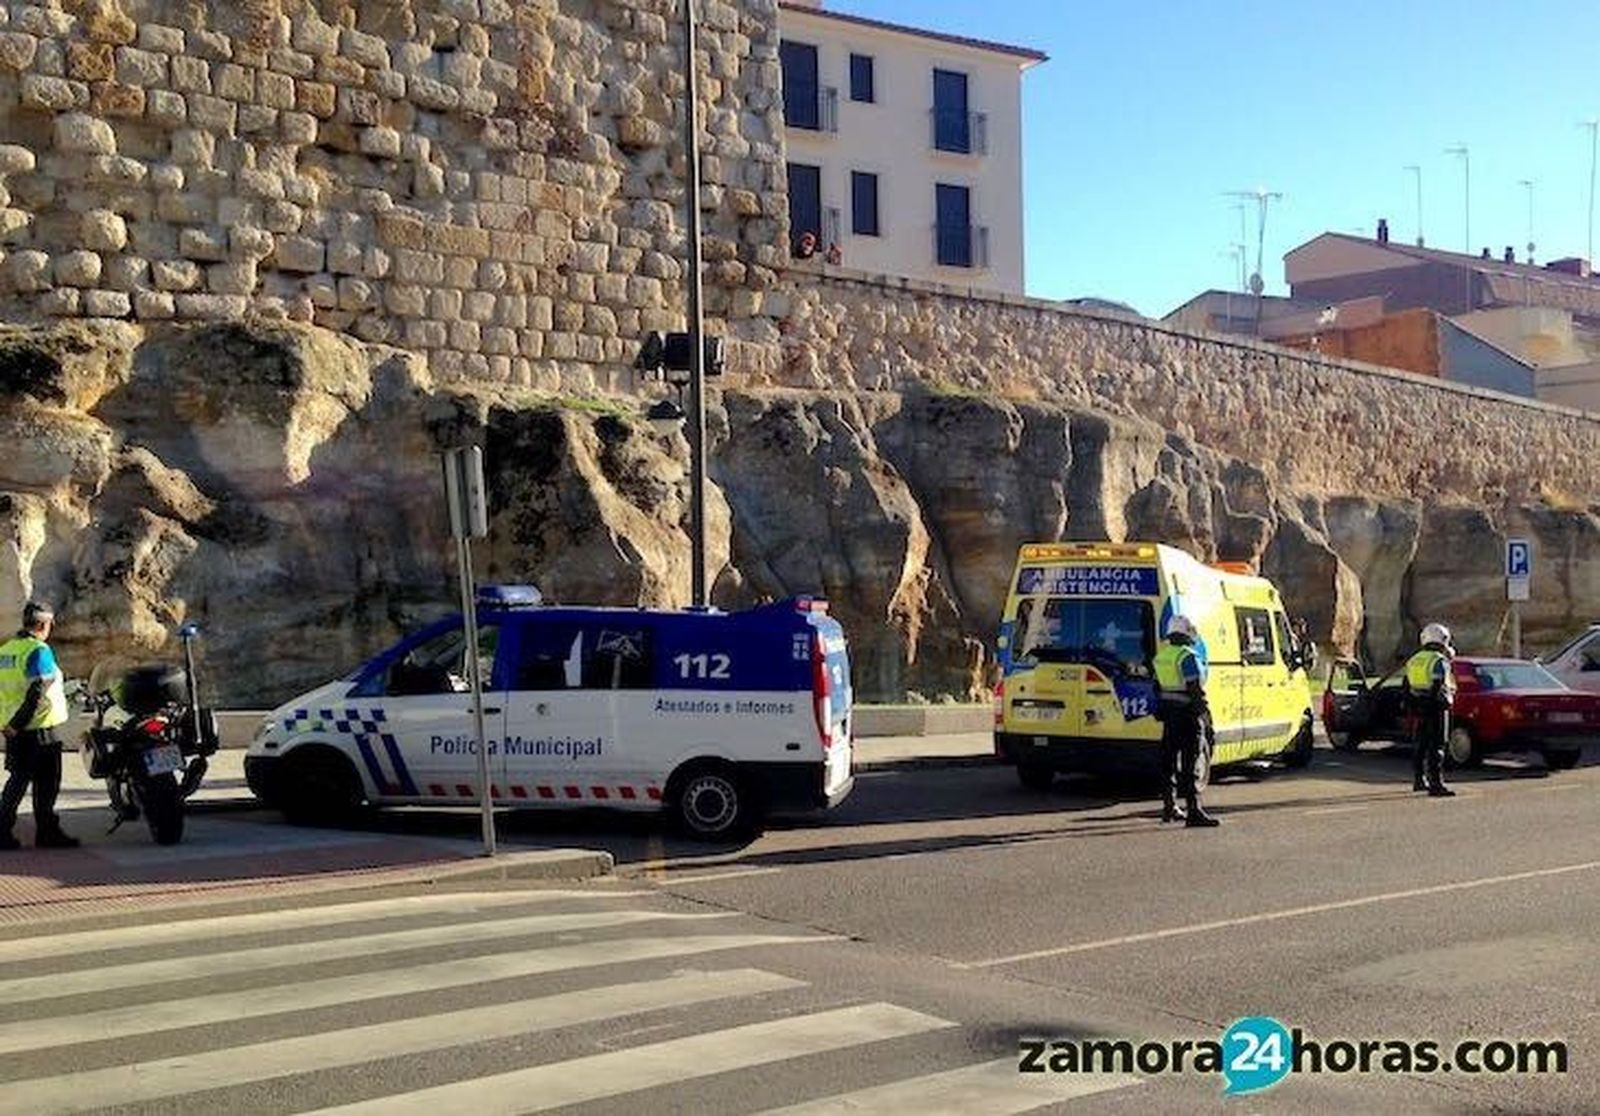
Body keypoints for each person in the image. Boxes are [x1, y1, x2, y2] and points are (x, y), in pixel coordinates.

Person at [0, 601, 78, 848]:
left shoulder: (6, 650)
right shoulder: (39, 651)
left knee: (17, 781)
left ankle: (2, 831)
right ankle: (47, 833)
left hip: (13, 729)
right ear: (44, 624)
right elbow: (38, 692)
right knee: (47, 783)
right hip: (39, 728)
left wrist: (10, 725)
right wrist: (18, 723)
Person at [1153, 614, 1219, 827]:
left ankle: (1169, 807)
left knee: (1168, 762)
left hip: (1170, 717)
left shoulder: (1161, 657)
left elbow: (1157, 688)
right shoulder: (1187, 656)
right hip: (1189, 716)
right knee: (1191, 763)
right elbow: (1195, 690)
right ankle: (1194, 811)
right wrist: (1204, 715)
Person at [1403, 622, 1456, 798]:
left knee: (1420, 745)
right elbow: (1438, 684)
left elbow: (1406, 685)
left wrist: (1413, 706)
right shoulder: (1439, 660)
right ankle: (1436, 784)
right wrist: (1433, 702)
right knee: (1437, 745)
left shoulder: (1414, 660)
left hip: (1417, 707)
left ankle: (1419, 780)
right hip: (1436, 707)